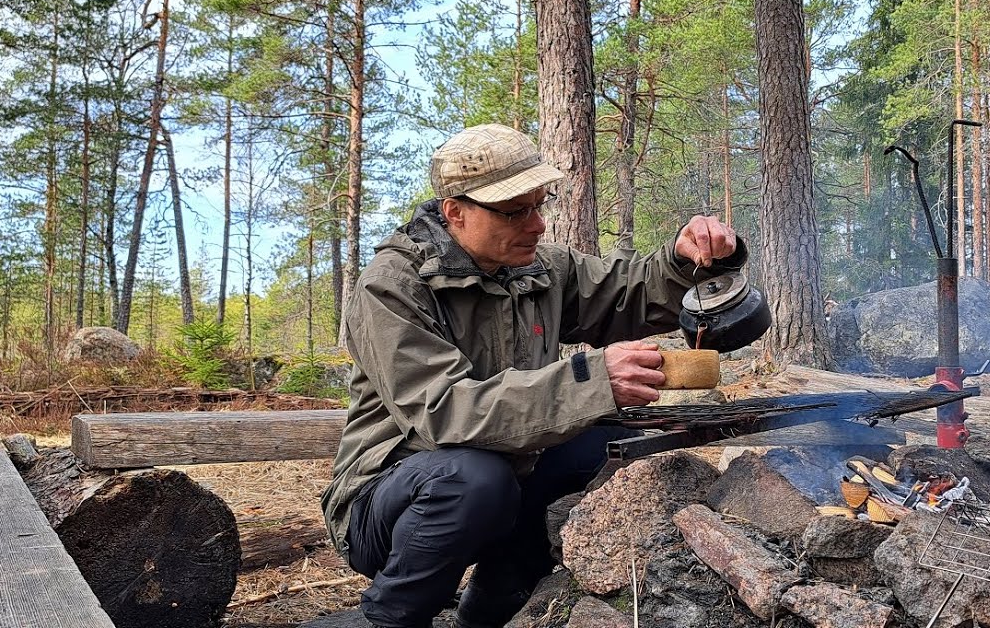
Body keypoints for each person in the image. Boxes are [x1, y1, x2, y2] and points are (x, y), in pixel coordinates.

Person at [321, 123, 749, 628]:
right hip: (387, 501)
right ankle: (392, 618)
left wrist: (685, 260)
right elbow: (443, 411)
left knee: (602, 441)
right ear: (455, 211)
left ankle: (491, 606)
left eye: (539, 204)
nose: (538, 224)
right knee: (475, 479)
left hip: (504, 482)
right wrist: (591, 382)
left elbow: (627, 292)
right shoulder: (391, 288)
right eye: (515, 211)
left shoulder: (540, 268)